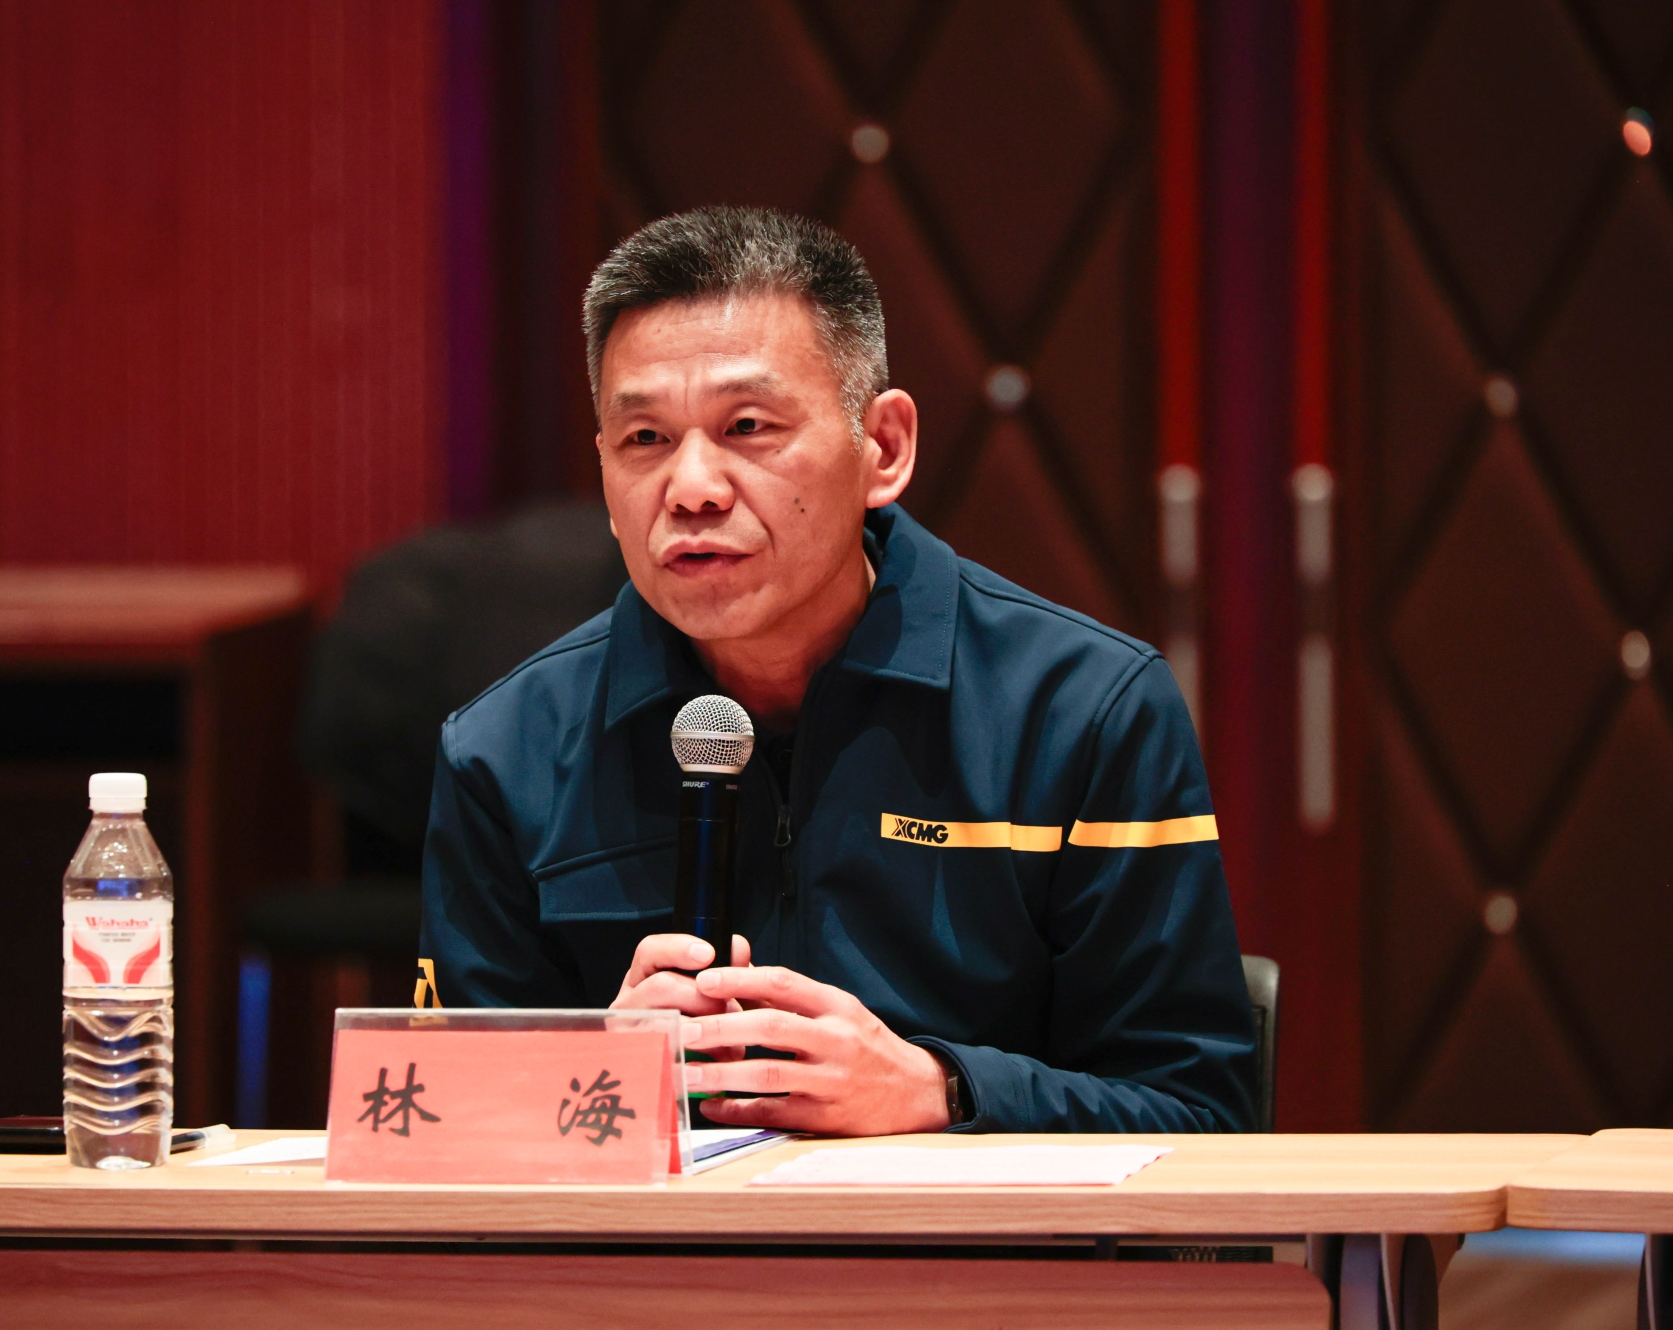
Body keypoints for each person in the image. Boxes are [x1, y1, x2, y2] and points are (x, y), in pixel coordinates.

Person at [417, 206, 1257, 1135]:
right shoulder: (504, 752)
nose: (691, 489)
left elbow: (1202, 1114)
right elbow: (442, 1132)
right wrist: (595, 1078)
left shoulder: (1082, 711)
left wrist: (943, 1089)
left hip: (970, 1231)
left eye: (747, 425)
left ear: (883, 447)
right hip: (656, 1236)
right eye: (644, 439)